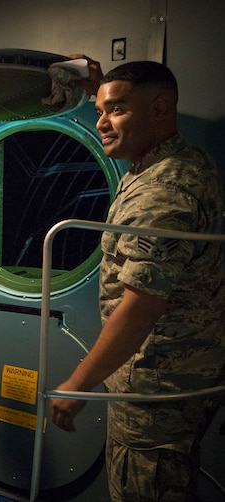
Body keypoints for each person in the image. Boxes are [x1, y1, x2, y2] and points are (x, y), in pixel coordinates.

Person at [49, 58, 225, 500]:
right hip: (183, 373)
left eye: (118, 110)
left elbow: (140, 307)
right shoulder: (180, 163)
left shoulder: (163, 192)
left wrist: (77, 385)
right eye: (100, 111)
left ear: (161, 108)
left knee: (141, 486)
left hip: (155, 387)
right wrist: (105, 89)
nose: (102, 123)